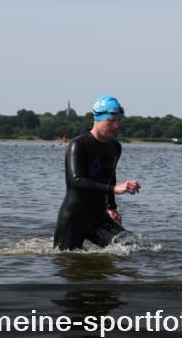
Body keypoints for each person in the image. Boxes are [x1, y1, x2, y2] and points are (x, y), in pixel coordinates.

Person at [53, 96, 140, 251]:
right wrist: (114, 189)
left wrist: (111, 207)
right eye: (111, 121)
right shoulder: (78, 145)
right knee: (66, 262)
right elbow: (77, 181)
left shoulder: (115, 147)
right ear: (98, 118)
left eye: (119, 120)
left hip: (99, 218)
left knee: (134, 247)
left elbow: (110, 177)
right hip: (74, 219)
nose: (116, 125)